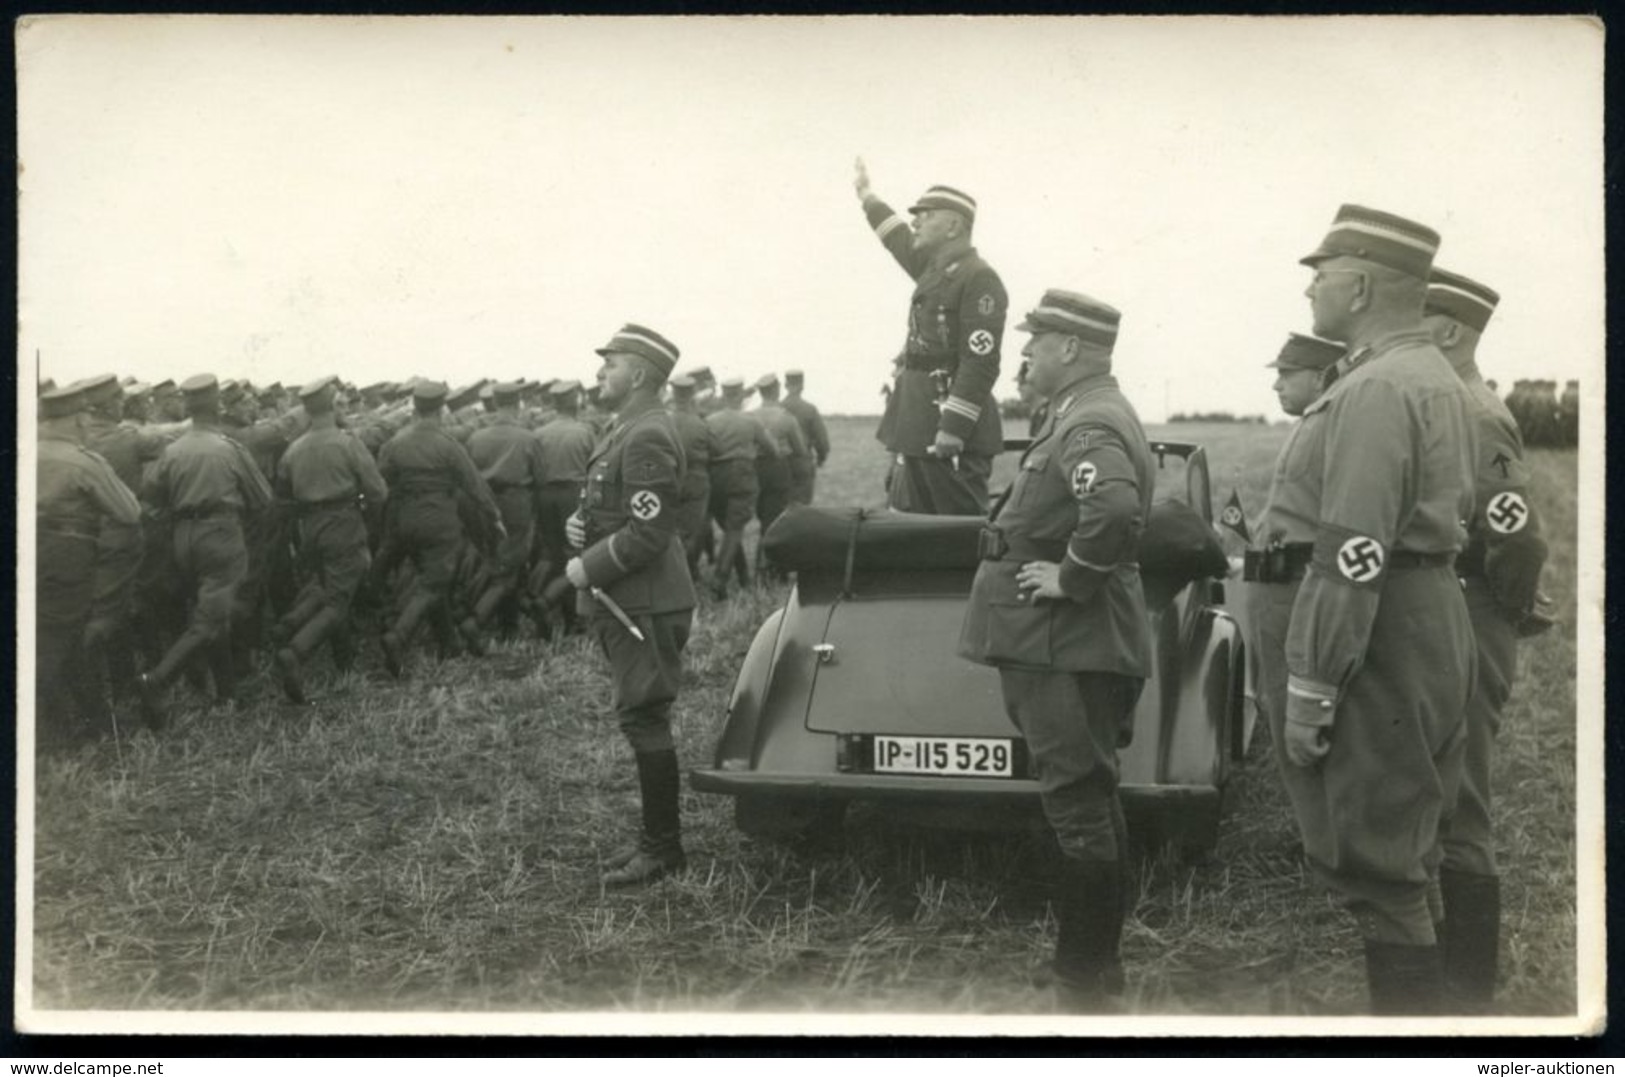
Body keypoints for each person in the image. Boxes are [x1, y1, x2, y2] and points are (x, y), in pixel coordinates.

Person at [1286, 204, 1477, 1014]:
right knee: (1412, 841)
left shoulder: (1374, 387)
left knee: (1379, 863)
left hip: (1380, 626)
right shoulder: (1434, 374)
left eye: (1320, 276)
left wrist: (1312, 683)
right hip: (1430, 613)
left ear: (1358, 285)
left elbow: (1352, 550)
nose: (1310, 293)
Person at [956, 289, 1155, 1011]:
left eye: (1035, 340)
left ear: (1070, 348)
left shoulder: (1091, 418)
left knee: (1076, 800)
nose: (1025, 352)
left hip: (1064, 640)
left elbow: (1113, 509)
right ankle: (1093, 964)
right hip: (1064, 638)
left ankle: (1082, 980)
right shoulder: (1079, 413)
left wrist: (1070, 577)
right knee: (1090, 795)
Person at [1422, 267, 1550, 1010]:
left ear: (1447, 331)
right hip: (1452, 608)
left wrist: (1507, 607)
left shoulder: (1474, 414)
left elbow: (1517, 533)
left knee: (1462, 801)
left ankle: (1467, 993)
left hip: (1471, 611)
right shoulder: (1447, 405)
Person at [563, 324, 698, 886]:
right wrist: (580, 527)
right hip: (630, 598)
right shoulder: (625, 429)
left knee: (644, 717)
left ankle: (662, 848)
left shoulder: (646, 435)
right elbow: (616, 511)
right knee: (638, 715)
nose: (599, 372)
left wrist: (586, 566)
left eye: (610, 364)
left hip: (644, 601)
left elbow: (648, 532)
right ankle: (657, 841)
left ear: (640, 374)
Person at [853, 158, 1006, 514]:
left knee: (957, 534)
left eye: (927, 214)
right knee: (911, 530)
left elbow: (980, 360)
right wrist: (866, 196)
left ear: (953, 226)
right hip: (917, 422)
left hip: (948, 431)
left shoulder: (979, 278)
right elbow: (894, 236)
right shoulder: (932, 268)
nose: (915, 221)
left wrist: (953, 427)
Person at [136, 375, 274, 726]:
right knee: (210, 617)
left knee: (213, 611)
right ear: (218, 407)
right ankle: (158, 680)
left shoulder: (173, 449)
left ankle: (227, 693)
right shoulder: (229, 448)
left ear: (189, 408)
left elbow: (151, 497)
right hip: (220, 533)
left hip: (183, 536)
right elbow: (263, 499)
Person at [36, 383, 143, 751]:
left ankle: (79, 721)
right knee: (71, 641)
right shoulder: (82, 461)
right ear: (78, 418)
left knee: (43, 634)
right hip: (70, 559)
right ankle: (76, 727)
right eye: (83, 417)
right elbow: (129, 512)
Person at [271, 376, 389, 704]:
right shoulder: (347, 442)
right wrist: (366, 514)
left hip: (311, 528)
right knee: (338, 600)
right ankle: (297, 651)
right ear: (332, 405)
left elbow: (282, 496)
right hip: (343, 523)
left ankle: (344, 660)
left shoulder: (294, 449)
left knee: (331, 590)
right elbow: (377, 491)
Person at [375, 380, 503, 677]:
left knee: (433, 581)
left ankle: (449, 643)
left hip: (405, 520)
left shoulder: (395, 442)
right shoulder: (447, 444)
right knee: (434, 583)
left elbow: (382, 480)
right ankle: (399, 636)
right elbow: (474, 485)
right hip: (439, 522)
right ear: (441, 409)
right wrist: (494, 516)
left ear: (416, 408)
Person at [464, 381, 548, 648]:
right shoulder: (527, 437)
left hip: (484, 503)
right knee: (509, 568)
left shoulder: (477, 437)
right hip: (516, 503)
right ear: (519, 403)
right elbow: (541, 477)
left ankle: (507, 626)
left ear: (496, 403)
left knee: (495, 561)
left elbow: (468, 477)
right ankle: (475, 621)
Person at [532, 379, 597, 636]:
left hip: (545, 494)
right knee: (576, 555)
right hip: (574, 493)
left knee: (552, 553)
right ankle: (555, 606)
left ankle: (558, 610)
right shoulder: (584, 431)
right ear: (575, 403)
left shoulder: (540, 433)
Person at [704, 378, 777, 597]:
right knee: (734, 530)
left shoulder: (710, 420)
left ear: (725, 396)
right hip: (741, 476)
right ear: (740, 396)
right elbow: (772, 450)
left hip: (715, 477)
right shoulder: (750, 421)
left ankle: (744, 576)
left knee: (729, 530)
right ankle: (720, 578)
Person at [667, 374, 715, 575]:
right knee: (691, 532)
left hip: (667, 479)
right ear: (692, 395)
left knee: (668, 531)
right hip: (695, 481)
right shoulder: (700, 424)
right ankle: (685, 576)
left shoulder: (662, 421)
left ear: (674, 394)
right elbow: (717, 449)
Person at [751, 373, 809, 532]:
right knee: (775, 514)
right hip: (778, 468)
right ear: (777, 390)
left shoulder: (750, 416)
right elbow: (800, 449)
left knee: (762, 511)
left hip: (754, 468)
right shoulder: (787, 418)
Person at [781, 369, 830, 505]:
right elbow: (822, 441)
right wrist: (821, 458)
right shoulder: (810, 409)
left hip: (780, 463)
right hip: (802, 462)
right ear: (802, 386)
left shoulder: (778, 408)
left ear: (786, 385)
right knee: (802, 507)